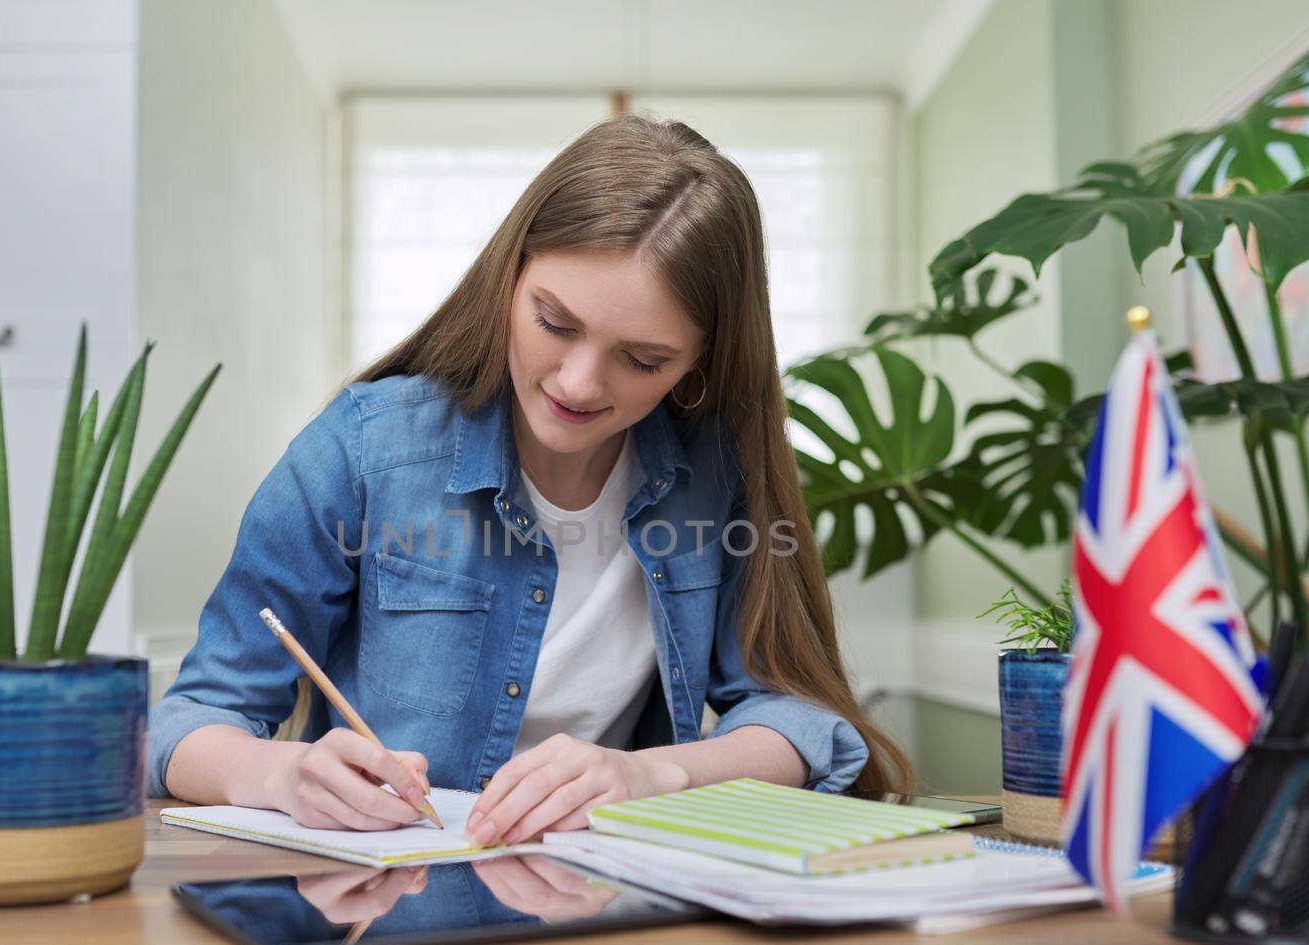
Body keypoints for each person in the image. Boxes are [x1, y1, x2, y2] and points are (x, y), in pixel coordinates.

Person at [149, 113, 913, 860]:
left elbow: (803, 720)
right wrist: (286, 775)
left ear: (699, 364)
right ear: (509, 275)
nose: (579, 384)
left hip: (614, 919)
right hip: (389, 924)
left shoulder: (715, 471)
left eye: (643, 360)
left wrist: (653, 772)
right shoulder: (362, 448)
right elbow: (188, 722)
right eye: (554, 321)